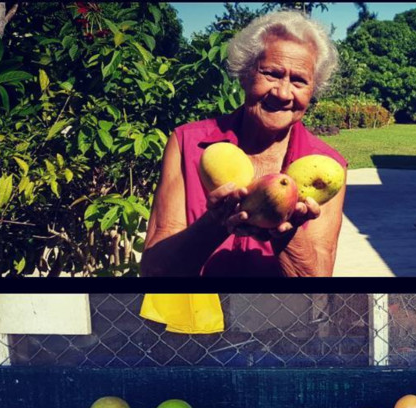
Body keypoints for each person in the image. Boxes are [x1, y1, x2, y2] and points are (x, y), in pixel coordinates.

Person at [141, 10, 346, 278]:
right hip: (197, 317)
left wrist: (286, 232)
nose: (283, 93)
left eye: (298, 80)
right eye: (271, 74)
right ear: (245, 74)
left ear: (312, 90)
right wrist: (215, 222)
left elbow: (317, 283)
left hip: (279, 316)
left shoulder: (327, 166)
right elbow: (155, 271)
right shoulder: (188, 143)